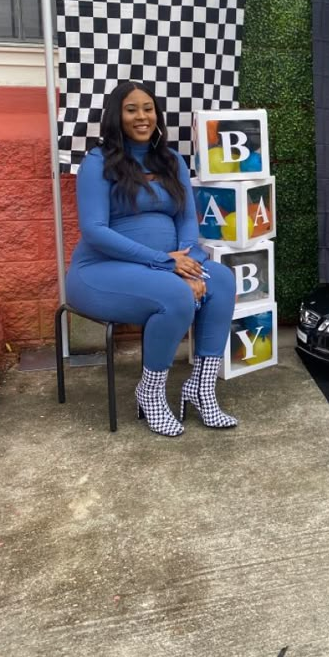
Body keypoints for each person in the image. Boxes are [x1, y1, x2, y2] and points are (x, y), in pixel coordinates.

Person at [66, 81, 237, 436]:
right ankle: (151, 392)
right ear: (117, 116)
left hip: (165, 266)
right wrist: (165, 264)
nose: (142, 116)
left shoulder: (170, 160)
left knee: (221, 279)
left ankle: (201, 389)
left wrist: (188, 261)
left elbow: (187, 218)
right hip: (100, 270)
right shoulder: (98, 164)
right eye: (131, 109)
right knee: (174, 297)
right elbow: (95, 230)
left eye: (148, 108)